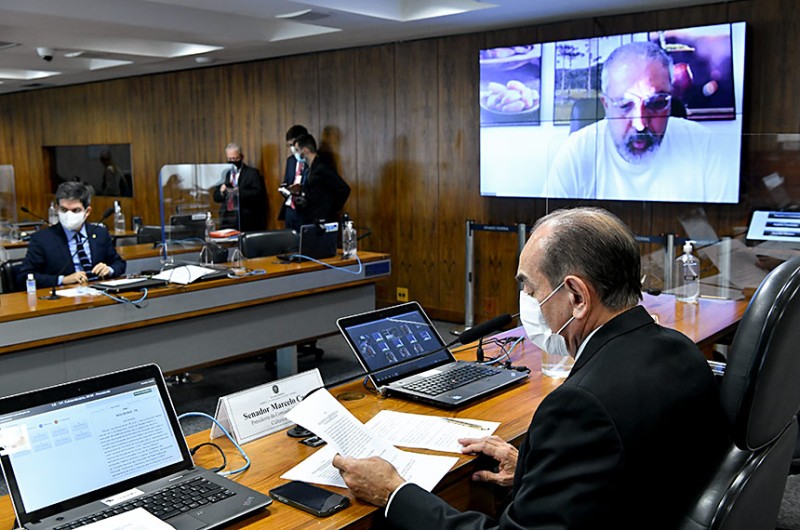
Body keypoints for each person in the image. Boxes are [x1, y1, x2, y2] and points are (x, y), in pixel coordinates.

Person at [332, 207, 729, 529]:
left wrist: (395, 493)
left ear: (576, 296)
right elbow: (630, 466)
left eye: (530, 288)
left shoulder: (580, 406)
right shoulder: (681, 350)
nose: (526, 300)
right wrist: (533, 471)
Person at [548, 41, 732, 202]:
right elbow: (550, 231)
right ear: (606, 105)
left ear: (670, 102)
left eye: (657, 103)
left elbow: (719, 233)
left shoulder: (706, 147)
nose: (640, 124)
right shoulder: (577, 151)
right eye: (624, 105)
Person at [19, 182, 126, 288]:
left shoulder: (99, 233)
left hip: (100, 294)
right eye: (64, 210)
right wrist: (63, 280)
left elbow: (119, 264)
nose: (68, 215)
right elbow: (25, 276)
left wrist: (109, 269)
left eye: (76, 210)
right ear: (57, 209)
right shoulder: (42, 239)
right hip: (64, 298)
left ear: (87, 212)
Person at [288, 134, 350, 229]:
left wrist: (329, 209)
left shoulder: (322, 168)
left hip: (321, 221)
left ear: (305, 150)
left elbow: (343, 189)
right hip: (309, 219)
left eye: (297, 150)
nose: (295, 153)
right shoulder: (309, 168)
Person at [212, 143, 267, 232]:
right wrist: (222, 192)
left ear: (241, 157)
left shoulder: (252, 173)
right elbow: (216, 196)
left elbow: (257, 194)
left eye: (235, 158)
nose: (232, 161)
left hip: (245, 219)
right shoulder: (226, 174)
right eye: (229, 159)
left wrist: (237, 192)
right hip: (227, 218)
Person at [278, 124, 309, 231]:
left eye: (293, 144)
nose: (292, 148)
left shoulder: (313, 160)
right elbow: (286, 181)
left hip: (306, 210)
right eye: (289, 145)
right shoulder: (290, 160)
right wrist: (285, 189)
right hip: (290, 209)